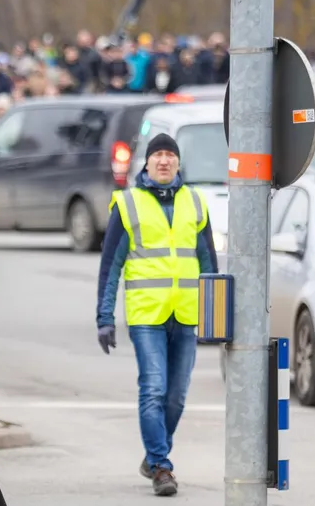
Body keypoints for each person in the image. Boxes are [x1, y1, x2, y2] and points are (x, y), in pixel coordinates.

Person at [95, 133, 216, 497]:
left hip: (186, 313)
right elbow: (110, 266)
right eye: (157, 155)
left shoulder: (196, 202)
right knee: (154, 388)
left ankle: (153, 454)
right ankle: (162, 467)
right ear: (146, 163)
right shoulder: (128, 204)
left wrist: (214, 317)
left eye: (170, 155)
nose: (164, 161)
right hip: (146, 314)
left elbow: (209, 263)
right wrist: (104, 317)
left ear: (178, 163)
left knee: (176, 396)